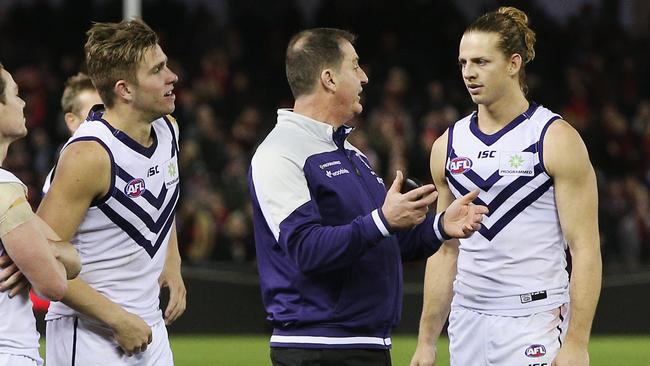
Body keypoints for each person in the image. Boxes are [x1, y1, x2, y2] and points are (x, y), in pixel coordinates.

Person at [248, 27, 488, 366]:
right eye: (355, 66)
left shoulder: (351, 153)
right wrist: (383, 219)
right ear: (329, 78)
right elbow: (306, 248)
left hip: (365, 344)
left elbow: (384, 238)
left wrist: (440, 227)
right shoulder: (280, 152)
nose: (364, 77)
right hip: (318, 348)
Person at [410, 7, 601, 366]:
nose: (469, 73)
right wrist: (426, 340)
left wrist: (577, 343)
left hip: (535, 319)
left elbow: (585, 248)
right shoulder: (446, 146)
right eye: (463, 62)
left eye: (481, 62)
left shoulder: (555, 139)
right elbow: (445, 249)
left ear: (514, 64)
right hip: (467, 320)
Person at [36, 19, 186, 365]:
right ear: (125, 90)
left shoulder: (169, 130)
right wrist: (116, 318)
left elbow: (162, 201)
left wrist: (172, 262)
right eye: (158, 69)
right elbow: (41, 260)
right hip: (91, 333)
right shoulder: (88, 155)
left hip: (149, 327)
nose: (172, 76)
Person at [0, 63, 80, 366]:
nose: (23, 103)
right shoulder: (4, 189)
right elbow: (56, 283)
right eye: (16, 94)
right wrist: (41, 254)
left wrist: (35, 252)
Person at [42, 72, 102, 195]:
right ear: (72, 121)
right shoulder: (65, 175)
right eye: (97, 113)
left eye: (109, 110)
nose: (107, 119)